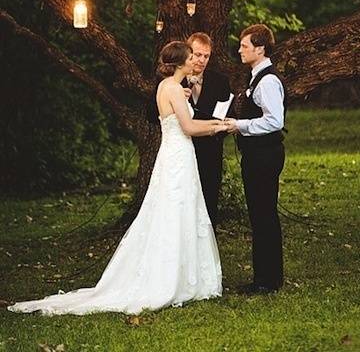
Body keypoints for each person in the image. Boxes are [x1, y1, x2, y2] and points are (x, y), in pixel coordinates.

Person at [8, 41, 227, 316]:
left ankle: (184, 275)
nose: (195, 60)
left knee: (177, 210)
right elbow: (189, 127)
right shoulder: (172, 88)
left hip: (175, 155)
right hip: (177, 156)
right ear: (181, 62)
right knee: (174, 211)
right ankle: (171, 279)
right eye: (190, 57)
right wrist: (221, 125)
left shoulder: (167, 87)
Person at [225, 24, 286, 294]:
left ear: (260, 49)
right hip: (257, 154)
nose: (240, 49)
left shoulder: (269, 81)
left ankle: (267, 281)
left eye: (245, 46)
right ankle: (266, 276)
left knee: (264, 215)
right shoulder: (256, 76)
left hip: (264, 154)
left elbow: (274, 121)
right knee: (260, 215)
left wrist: (240, 126)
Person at [183, 33, 230, 229]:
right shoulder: (173, 81)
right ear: (188, 53)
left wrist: (216, 129)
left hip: (210, 152)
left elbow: (228, 115)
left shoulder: (219, 81)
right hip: (182, 151)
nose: (202, 60)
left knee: (209, 200)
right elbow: (153, 114)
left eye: (206, 56)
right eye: (197, 54)